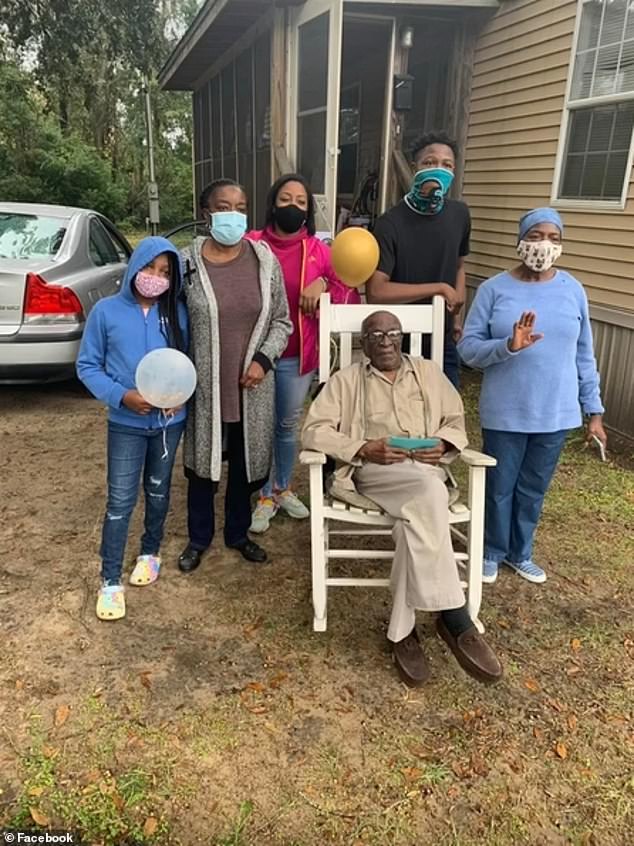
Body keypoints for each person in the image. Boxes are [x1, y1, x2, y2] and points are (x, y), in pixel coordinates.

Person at [302, 310, 503, 687]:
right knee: (429, 494)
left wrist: (443, 444)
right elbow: (314, 431)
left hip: (425, 471)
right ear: (365, 342)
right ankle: (454, 614)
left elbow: (455, 420)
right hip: (377, 473)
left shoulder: (428, 373)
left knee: (415, 520)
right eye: (375, 335)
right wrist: (362, 447)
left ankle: (401, 632)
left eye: (392, 332)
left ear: (402, 337)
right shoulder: (347, 381)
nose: (385, 340)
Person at [458, 207, 607, 585]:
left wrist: (594, 410)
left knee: (533, 489)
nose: (545, 245)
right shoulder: (494, 290)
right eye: (537, 236)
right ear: (520, 241)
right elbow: (469, 349)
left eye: (554, 239)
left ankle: (520, 553)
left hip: (556, 412)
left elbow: (583, 354)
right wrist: (507, 345)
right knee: (499, 487)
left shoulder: (572, 289)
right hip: (506, 411)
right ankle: (492, 551)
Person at [177, 179, 292, 573]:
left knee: (246, 465)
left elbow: (282, 320)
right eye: (224, 206)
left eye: (240, 206)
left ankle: (238, 534)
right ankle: (198, 538)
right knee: (202, 466)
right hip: (205, 385)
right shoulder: (186, 263)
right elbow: (172, 323)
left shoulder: (264, 260)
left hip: (253, 385)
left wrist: (262, 359)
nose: (234, 214)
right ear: (207, 213)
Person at [76, 237, 188, 620]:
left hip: (168, 425)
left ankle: (150, 552)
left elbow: (185, 365)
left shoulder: (176, 315)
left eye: (165, 272)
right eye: (149, 268)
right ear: (134, 267)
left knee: (158, 491)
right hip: (125, 424)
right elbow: (88, 366)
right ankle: (110, 580)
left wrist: (179, 397)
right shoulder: (106, 312)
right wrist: (121, 396)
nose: (155, 277)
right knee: (120, 501)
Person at [248, 173, 361, 534]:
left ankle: (282, 487)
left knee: (285, 425)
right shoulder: (251, 244)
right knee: (260, 425)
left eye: (301, 201)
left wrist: (325, 281)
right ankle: (262, 493)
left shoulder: (320, 251)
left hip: (298, 355)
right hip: (257, 354)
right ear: (272, 203)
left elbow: (350, 292)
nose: (293, 206)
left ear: (309, 209)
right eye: (285, 199)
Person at [366, 131, 471, 388]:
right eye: (429, 163)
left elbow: (458, 265)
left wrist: (456, 317)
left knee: (446, 418)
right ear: (415, 168)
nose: (439, 170)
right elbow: (376, 291)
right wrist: (438, 288)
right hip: (398, 340)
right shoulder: (389, 223)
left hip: (442, 337)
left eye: (447, 165)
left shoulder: (459, 214)